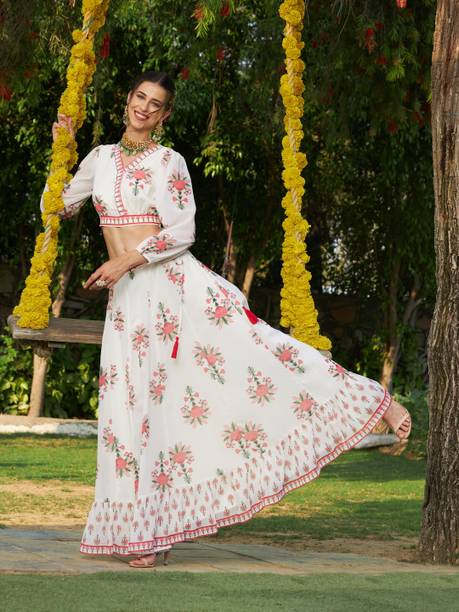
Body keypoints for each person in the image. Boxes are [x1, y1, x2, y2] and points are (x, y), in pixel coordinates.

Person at [41, 70, 411, 569]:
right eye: (139, 97)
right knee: (135, 413)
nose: (144, 108)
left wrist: (124, 261)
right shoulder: (100, 159)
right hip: (127, 305)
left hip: (174, 288)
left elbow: (182, 231)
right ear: (126, 100)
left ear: (165, 115)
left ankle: (371, 399)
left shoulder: (169, 161)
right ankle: (149, 530)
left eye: (155, 103)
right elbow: (57, 207)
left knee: (261, 351)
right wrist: (60, 151)